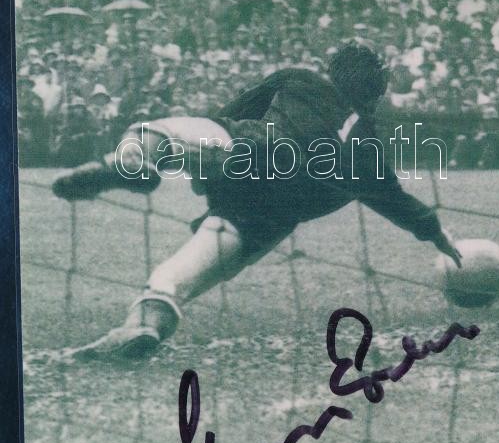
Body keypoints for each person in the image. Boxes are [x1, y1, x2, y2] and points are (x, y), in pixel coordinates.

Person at [52, 42, 462, 361]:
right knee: (177, 279)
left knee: (155, 134)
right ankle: (144, 325)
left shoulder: (300, 80)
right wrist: (437, 234)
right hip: (264, 220)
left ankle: (132, 164)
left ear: (333, 71)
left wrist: (204, 167)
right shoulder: (367, 150)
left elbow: (231, 112)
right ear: (374, 96)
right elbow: (397, 201)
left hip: (255, 152)